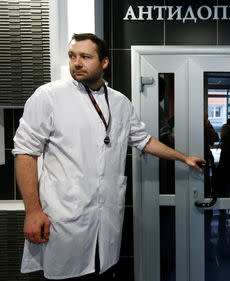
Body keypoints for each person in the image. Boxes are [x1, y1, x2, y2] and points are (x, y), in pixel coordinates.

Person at [12, 33, 204, 280]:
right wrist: (33, 211)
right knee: (65, 273)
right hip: (64, 216)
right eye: (72, 56)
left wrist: (183, 158)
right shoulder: (49, 96)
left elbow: (144, 141)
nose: (77, 63)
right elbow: (25, 152)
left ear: (104, 62)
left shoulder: (120, 102)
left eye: (85, 57)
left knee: (102, 271)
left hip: (105, 218)